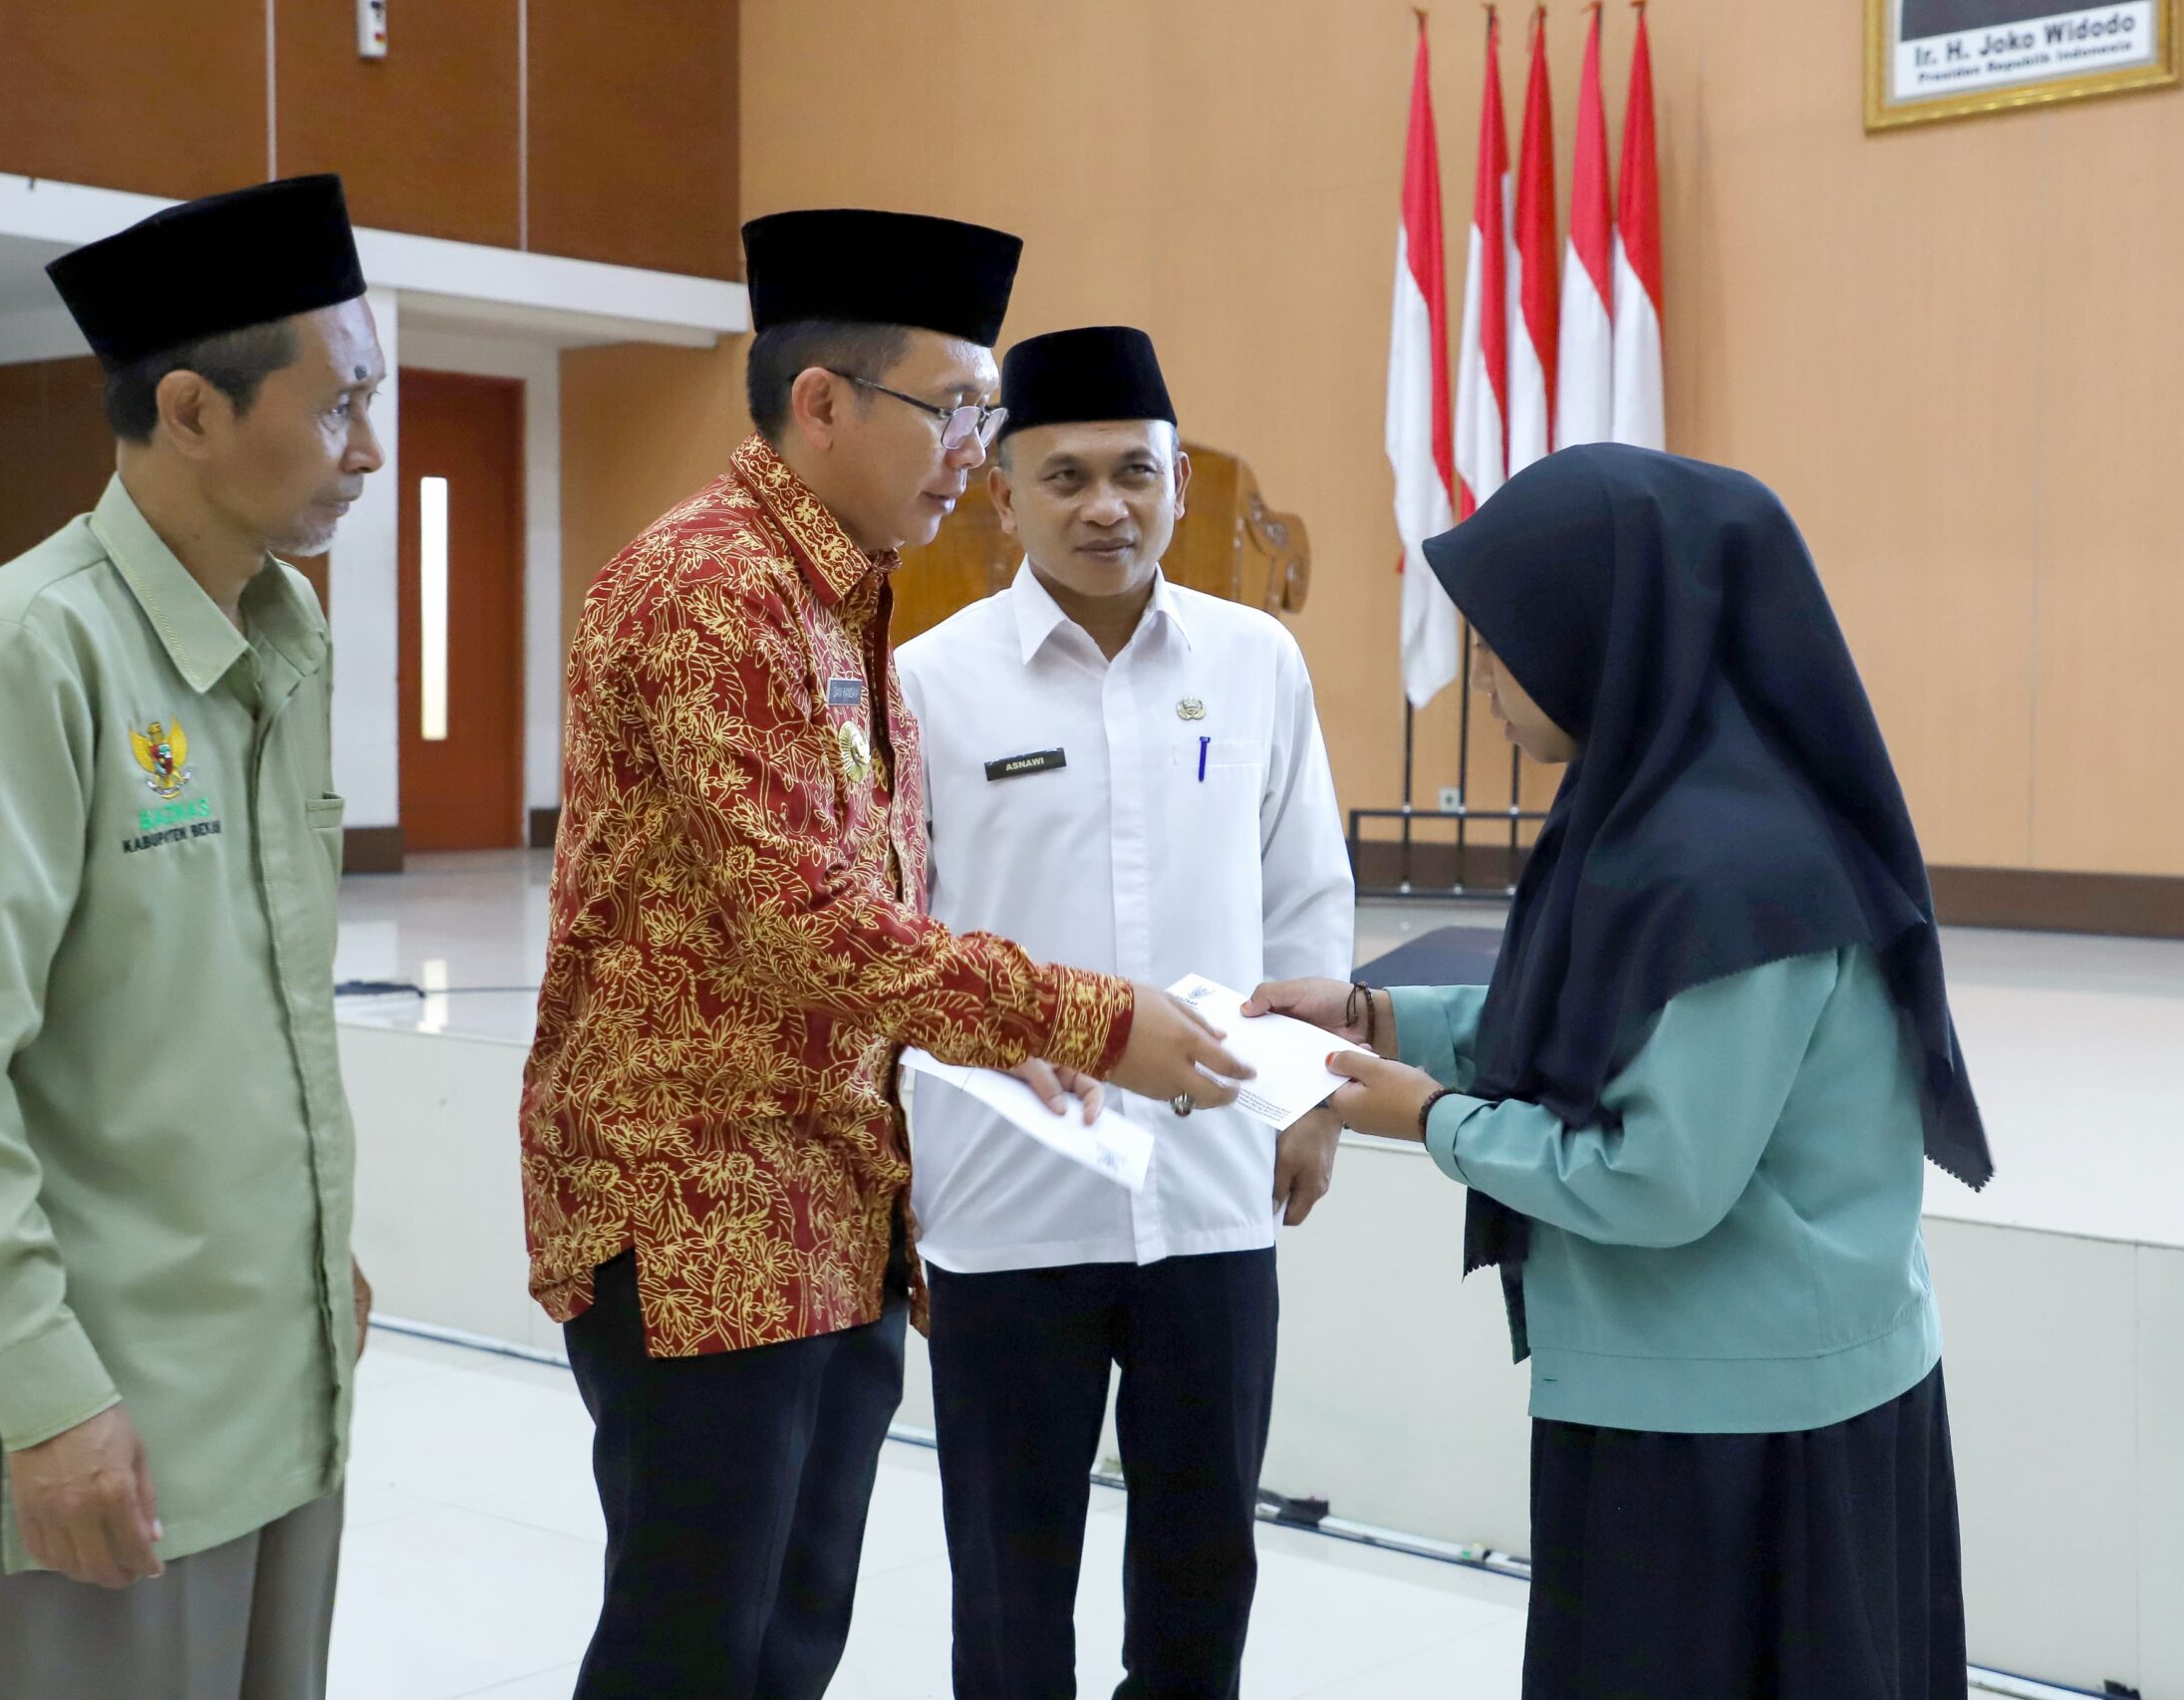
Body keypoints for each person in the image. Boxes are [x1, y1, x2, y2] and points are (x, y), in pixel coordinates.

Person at [521, 212, 1250, 1700]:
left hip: (830, 1202)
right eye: (956, 412)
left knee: (785, 1640)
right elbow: (796, 919)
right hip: (700, 1203)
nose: (972, 451)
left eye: (985, 416)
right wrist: (1084, 1012)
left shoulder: (837, 595)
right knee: (690, 1646)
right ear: (824, 403)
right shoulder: (712, 589)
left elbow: (878, 905)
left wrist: (997, 1028)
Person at [1253, 444, 1994, 1700]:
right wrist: (1383, 1017)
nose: (1481, 676)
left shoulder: (1727, 869)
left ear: (1607, 631)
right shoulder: (1671, 809)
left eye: (1503, 640)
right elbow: (1594, 1026)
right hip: (1715, 1389)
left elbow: (1657, 1178)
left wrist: (1430, 1118)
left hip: (1746, 1433)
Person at [0, 175, 383, 1700]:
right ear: (192, 410)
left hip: (275, 1394)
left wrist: (314, 1248)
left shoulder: (280, 642)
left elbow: (228, 1006)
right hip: (98, 1431)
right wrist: (46, 1397)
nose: (370, 447)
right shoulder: (27, 656)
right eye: (340, 401)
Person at [894, 324, 1353, 1699]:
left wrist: (1316, 1093)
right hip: (1005, 1199)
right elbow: (899, 944)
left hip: (1214, 1190)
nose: (1108, 506)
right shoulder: (931, 684)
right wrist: (902, 1174)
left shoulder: (1255, 659)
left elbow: (1306, 886)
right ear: (1003, 492)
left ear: (1178, 483)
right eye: (1069, 476)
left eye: (1138, 473)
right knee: (1009, 1572)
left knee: (1204, 1564)